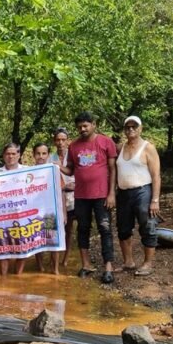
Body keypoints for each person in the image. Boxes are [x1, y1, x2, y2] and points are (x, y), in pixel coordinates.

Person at [59, 111, 117, 284]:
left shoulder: (106, 142)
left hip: (101, 195)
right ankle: (86, 265)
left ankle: (108, 268)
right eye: (79, 127)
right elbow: (70, 169)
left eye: (85, 126)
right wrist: (57, 166)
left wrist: (112, 193)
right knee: (82, 229)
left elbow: (113, 169)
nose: (82, 129)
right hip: (81, 195)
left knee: (105, 228)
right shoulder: (74, 146)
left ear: (93, 125)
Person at [116, 116, 161, 276]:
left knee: (147, 226)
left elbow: (156, 176)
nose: (130, 130)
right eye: (127, 127)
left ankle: (147, 263)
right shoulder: (120, 148)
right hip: (123, 192)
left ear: (141, 128)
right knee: (123, 228)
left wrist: (155, 200)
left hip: (143, 191)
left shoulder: (148, 148)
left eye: (134, 126)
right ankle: (128, 262)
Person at [0, 142, 27, 275]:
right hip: (3, 216)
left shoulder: (28, 171)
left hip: (23, 215)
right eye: (8, 154)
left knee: (22, 246)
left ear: (19, 155)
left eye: (13, 153)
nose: (10, 156)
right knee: (3, 246)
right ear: (3, 156)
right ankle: (3, 277)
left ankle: (18, 276)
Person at [33, 142, 64, 275]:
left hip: (51, 211)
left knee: (54, 240)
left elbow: (61, 191)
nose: (41, 156)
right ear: (33, 155)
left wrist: (64, 213)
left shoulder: (54, 171)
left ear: (48, 155)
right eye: (38, 153)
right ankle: (40, 268)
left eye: (44, 153)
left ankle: (55, 269)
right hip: (35, 212)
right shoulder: (28, 173)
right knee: (37, 240)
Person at [49, 127, 76, 268]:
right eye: (58, 140)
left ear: (68, 141)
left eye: (63, 140)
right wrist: (64, 186)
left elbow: (79, 176)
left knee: (69, 228)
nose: (60, 143)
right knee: (57, 229)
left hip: (72, 198)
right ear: (54, 142)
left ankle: (65, 257)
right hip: (57, 197)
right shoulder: (50, 158)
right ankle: (55, 257)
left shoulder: (73, 156)